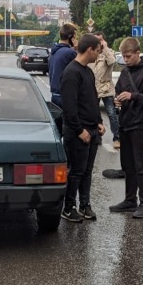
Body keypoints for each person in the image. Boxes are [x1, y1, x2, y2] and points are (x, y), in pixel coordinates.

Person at [109, 37, 143, 219]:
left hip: (140, 124)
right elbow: (118, 90)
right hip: (125, 122)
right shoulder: (125, 72)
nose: (126, 60)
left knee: (141, 166)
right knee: (128, 165)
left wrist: (133, 96)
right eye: (123, 57)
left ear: (138, 53)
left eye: (128, 56)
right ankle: (129, 200)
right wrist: (118, 99)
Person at [58, 33, 106, 223]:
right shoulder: (72, 72)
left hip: (91, 130)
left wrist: (98, 122)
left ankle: (84, 205)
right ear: (89, 50)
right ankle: (68, 208)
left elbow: (92, 100)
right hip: (78, 133)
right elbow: (69, 107)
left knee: (86, 171)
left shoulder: (87, 71)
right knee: (76, 171)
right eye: (98, 51)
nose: (98, 55)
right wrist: (79, 131)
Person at [91, 31, 121, 149]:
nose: (98, 43)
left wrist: (105, 47)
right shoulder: (91, 53)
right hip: (93, 88)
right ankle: (96, 137)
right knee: (94, 114)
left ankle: (117, 137)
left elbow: (112, 62)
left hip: (106, 88)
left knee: (112, 113)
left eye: (100, 40)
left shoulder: (108, 52)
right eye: (96, 40)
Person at [48, 22, 79, 107]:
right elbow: (80, 68)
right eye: (75, 36)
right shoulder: (70, 53)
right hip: (65, 95)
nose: (75, 38)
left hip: (54, 94)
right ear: (70, 37)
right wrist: (77, 49)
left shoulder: (54, 51)